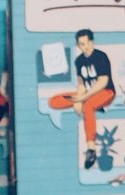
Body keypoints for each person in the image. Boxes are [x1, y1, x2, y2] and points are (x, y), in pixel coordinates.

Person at [48, 28, 116, 166]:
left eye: (87, 43)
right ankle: (90, 104)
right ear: (78, 45)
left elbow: (103, 82)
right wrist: (79, 98)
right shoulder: (79, 60)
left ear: (92, 42)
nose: (85, 47)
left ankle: (91, 149)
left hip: (106, 92)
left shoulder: (101, 56)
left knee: (88, 106)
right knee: (53, 101)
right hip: (87, 94)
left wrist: (83, 99)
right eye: (81, 44)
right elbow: (81, 83)